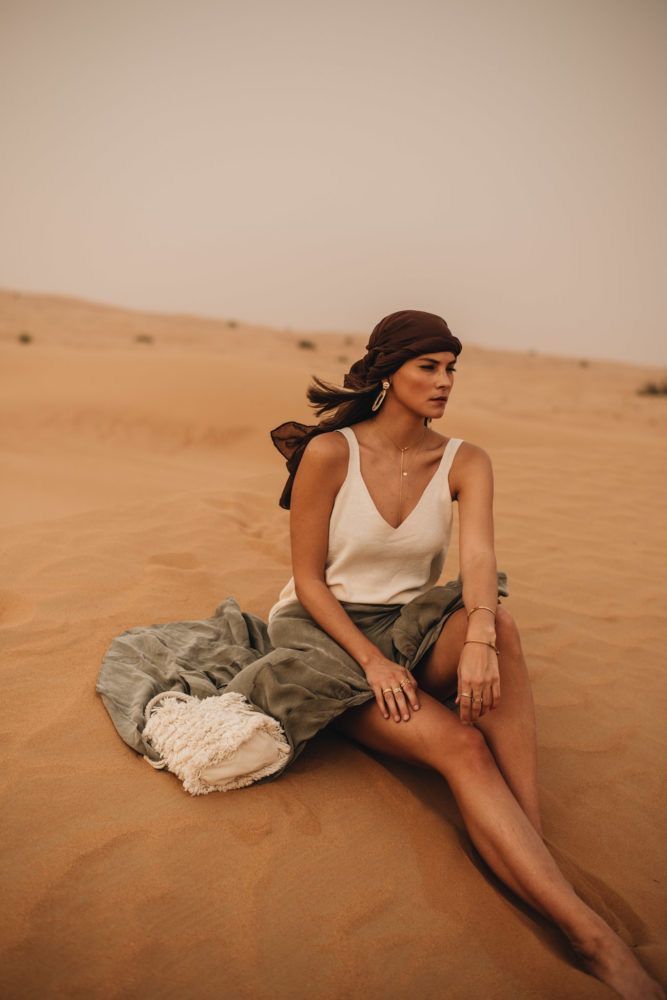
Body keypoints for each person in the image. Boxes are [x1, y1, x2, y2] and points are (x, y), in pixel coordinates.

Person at [267, 309, 664, 1000]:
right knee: (462, 749)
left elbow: (478, 556)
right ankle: (590, 940)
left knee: (500, 629)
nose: (445, 381)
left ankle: (528, 842)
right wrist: (372, 663)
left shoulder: (463, 459)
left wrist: (479, 636)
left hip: (413, 626)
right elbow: (307, 581)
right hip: (330, 635)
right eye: (429, 366)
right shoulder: (330, 453)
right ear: (389, 372)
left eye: (452, 368)